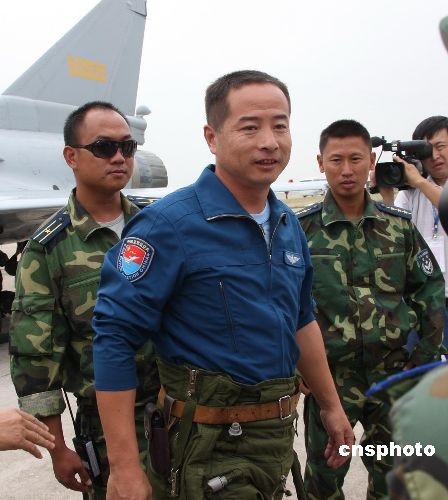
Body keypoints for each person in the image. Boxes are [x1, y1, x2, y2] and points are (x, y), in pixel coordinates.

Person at [92, 70, 354, 500]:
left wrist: (330, 405)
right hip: (208, 450)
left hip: (273, 440)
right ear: (212, 137)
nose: (269, 141)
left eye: (280, 125)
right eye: (250, 127)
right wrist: (123, 467)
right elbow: (114, 337)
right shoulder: (167, 226)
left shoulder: (287, 224)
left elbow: (300, 320)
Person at [9, 101, 159, 498]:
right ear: (71, 157)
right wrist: (57, 448)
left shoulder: (159, 226)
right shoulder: (48, 249)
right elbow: (36, 357)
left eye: (127, 147)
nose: (119, 157)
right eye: (104, 147)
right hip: (108, 426)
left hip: (181, 411)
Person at [296, 119, 445, 499]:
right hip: (331, 379)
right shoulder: (301, 230)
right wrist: (294, 365)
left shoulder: (399, 228)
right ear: (320, 162)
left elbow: (430, 289)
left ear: (371, 163)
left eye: (356, 159)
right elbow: (282, 300)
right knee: (324, 479)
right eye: (336, 160)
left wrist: (424, 357)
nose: (346, 170)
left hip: (392, 374)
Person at [379, 116, 448, 349]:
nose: (435, 156)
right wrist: (387, 195)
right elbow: (393, 235)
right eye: (427, 151)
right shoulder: (410, 193)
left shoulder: (418, 184)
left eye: (440, 146)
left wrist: (419, 181)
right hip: (424, 301)